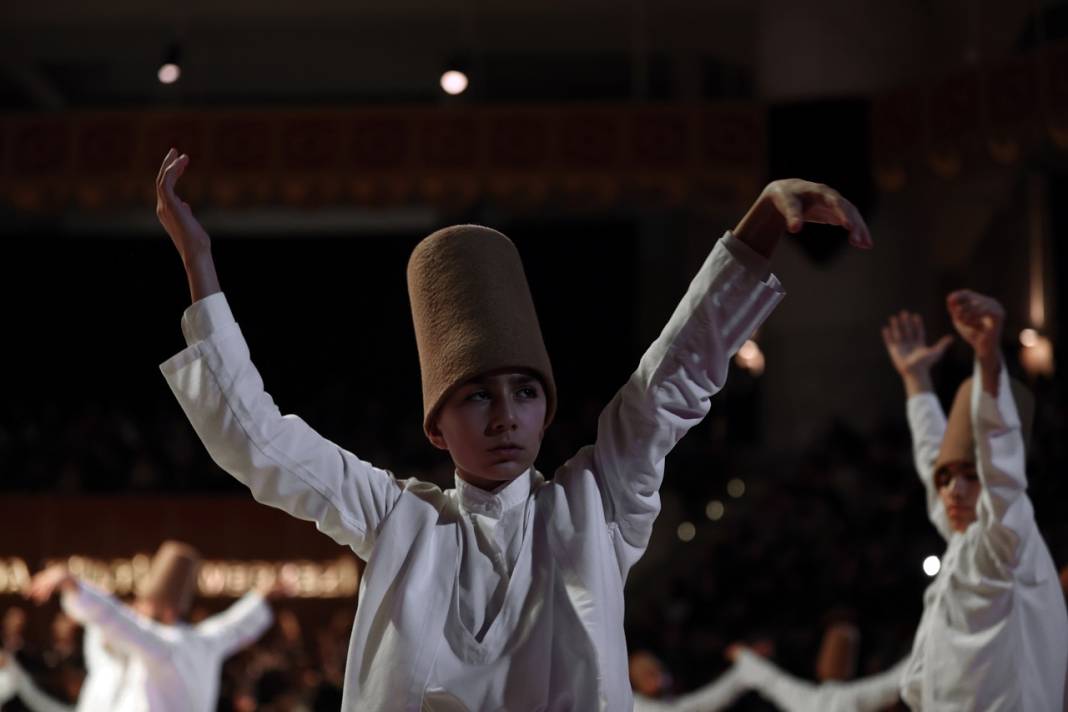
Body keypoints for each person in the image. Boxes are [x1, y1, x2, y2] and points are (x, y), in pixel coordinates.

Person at [155, 146, 872, 710]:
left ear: (546, 408)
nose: (505, 416)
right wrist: (199, 262)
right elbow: (260, 441)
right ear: (436, 428)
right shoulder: (401, 521)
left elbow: (666, 387)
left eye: (525, 392)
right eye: (475, 397)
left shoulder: (595, 507)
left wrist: (761, 228)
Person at [882, 295, 1068, 709]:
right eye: (947, 480)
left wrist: (987, 359)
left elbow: (1000, 462)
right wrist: (917, 382)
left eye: (971, 477)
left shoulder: (1008, 544)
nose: (954, 491)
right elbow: (935, 459)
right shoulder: (964, 539)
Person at [18, 541, 274, 712]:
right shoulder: (202, 640)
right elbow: (236, 625)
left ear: (168, 610)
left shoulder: (164, 645)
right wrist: (262, 595)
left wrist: (73, 585)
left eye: (146, 604)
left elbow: (118, 621)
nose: (138, 610)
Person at [629, 649, 749, 712]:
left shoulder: (665, 701)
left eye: (658, 671)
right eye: (648, 674)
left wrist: (740, 674)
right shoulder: (634, 706)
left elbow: (699, 703)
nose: (659, 677)